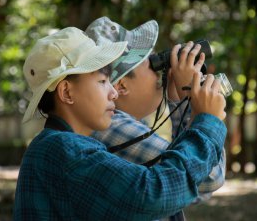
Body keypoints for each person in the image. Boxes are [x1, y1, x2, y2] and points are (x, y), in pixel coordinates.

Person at [14, 26, 228, 220]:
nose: (114, 92)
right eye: (102, 81)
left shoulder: (64, 146)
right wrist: (206, 122)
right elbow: (152, 194)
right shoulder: (65, 150)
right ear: (66, 92)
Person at [86, 17, 227, 220]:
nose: (160, 71)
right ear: (121, 86)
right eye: (151, 63)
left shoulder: (129, 125)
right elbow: (209, 178)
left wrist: (181, 101)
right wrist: (203, 113)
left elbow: (189, 192)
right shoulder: (111, 127)